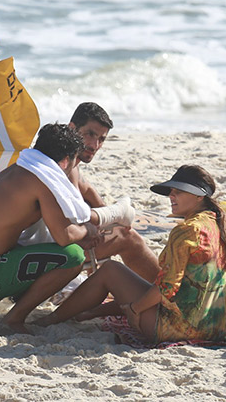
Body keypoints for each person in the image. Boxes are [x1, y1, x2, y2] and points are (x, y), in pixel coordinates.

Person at [0, 123, 131, 336]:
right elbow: (64, 236)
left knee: (34, 245)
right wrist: (88, 231)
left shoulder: (20, 169)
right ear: (65, 161)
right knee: (72, 257)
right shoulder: (42, 182)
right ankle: (13, 319)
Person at [34, 165, 226, 343]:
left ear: (200, 196)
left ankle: (53, 319)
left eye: (178, 192)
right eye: (171, 192)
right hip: (213, 327)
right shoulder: (223, 228)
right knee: (134, 286)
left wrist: (135, 309)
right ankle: (88, 312)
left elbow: (167, 288)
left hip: (177, 329)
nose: (171, 196)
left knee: (111, 271)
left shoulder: (188, 230)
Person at [67, 102, 159, 281]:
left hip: (54, 241)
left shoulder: (70, 163)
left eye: (101, 139)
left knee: (118, 227)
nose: (94, 145)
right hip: (50, 249)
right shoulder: (63, 166)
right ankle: (170, 294)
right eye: (90, 134)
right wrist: (117, 217)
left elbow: (92, 196)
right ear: (72, 128)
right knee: (127, 237)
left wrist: (115, 218)